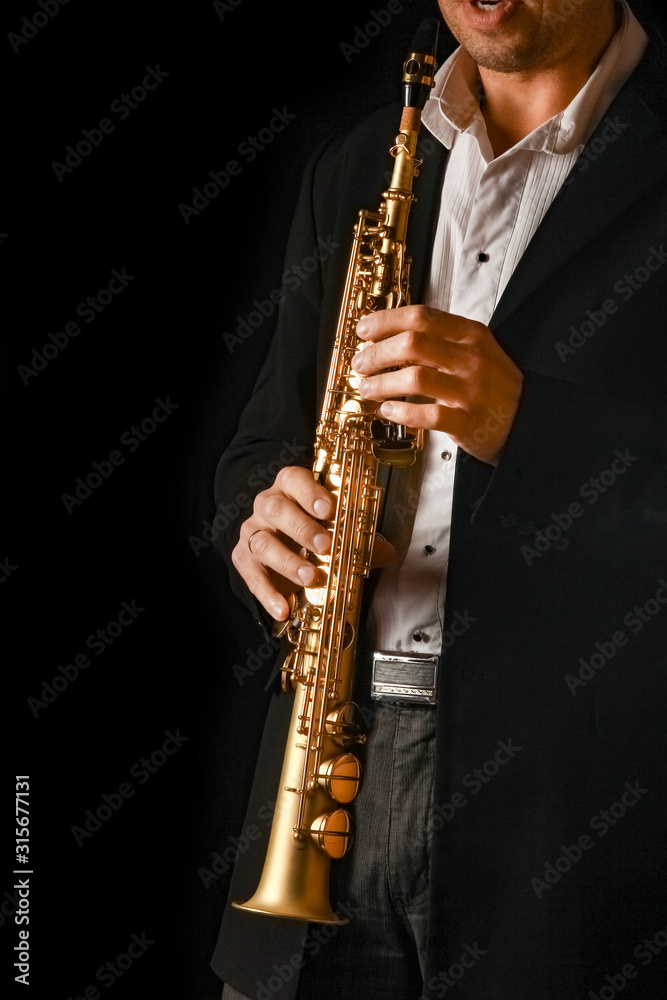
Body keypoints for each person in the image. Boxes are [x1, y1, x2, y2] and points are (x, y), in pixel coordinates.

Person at [211, 1, 667, 997]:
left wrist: (529, 427)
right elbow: (262, 442)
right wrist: (261, 515)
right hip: (327, 769)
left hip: (577, 828)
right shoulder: (363, 160)